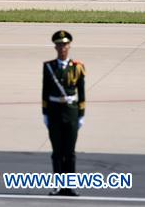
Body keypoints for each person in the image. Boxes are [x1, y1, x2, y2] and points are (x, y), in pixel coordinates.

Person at [42, 30, 86, 197]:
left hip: (71, 112)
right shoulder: (48, 67)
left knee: (70, 152)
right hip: (54, 112)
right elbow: (45, 91)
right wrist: (44, 113)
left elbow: (81, 92)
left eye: (65, 45)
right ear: (55, 47)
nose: (62, 48)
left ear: (69, 46)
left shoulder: (78, 67)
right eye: (59, 45)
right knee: (57, 152)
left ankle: (70, 187)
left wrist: (81, 114)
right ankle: (58, 186)